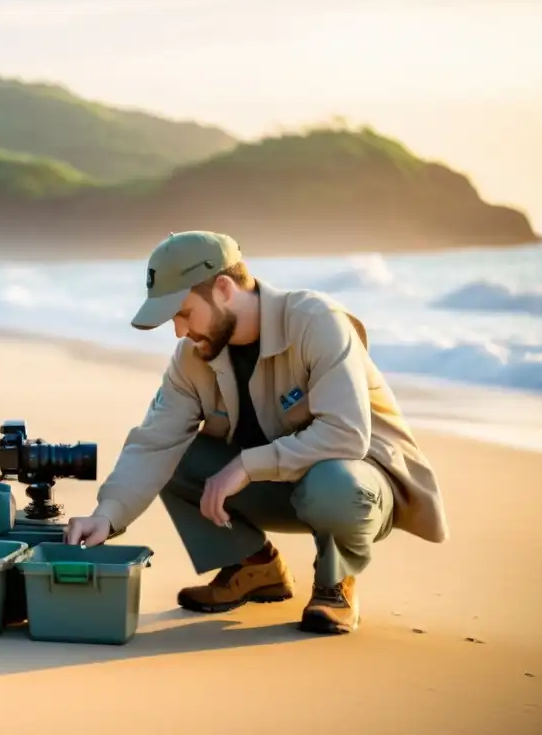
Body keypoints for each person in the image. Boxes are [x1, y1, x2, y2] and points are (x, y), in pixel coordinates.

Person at [65, 230, 448, 634]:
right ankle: (255, 565)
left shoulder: (317, 322)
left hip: (359, 484)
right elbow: (154, 442)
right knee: (177, 457)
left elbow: (347, 435)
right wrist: (106, 516)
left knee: (335, 481)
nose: (179, 332)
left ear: (224, 289)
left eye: (184, 313)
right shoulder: (192, 358)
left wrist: (247, 465)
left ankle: (334, 583)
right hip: (284, 485)